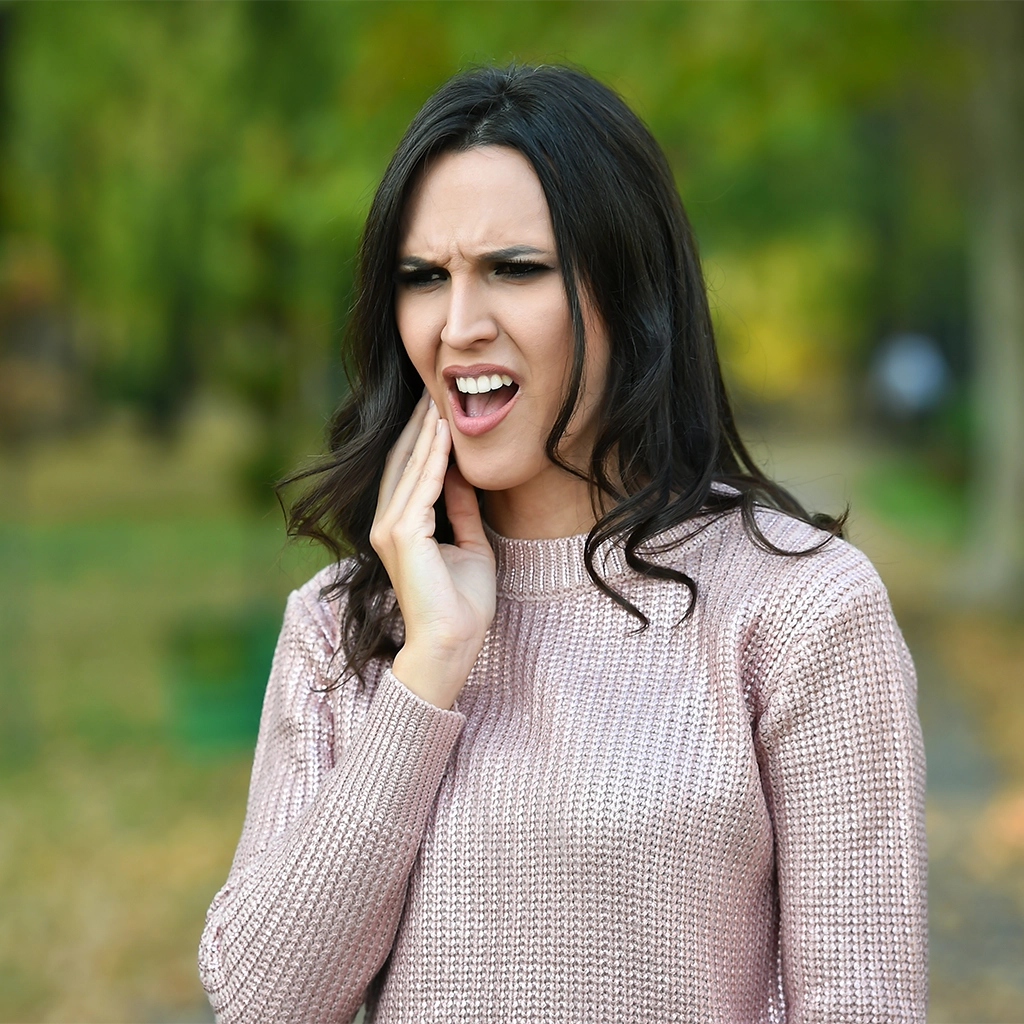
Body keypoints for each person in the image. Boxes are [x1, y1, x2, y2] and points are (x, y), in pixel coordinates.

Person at [198, 63, 927, 1023]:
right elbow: (260, 1003)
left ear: (631, 292)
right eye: (425, 278)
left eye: (515, 269)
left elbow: (862, 1002)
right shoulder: (343, 628)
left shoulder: (799, 611)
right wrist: (431, 666)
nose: (459, 327)